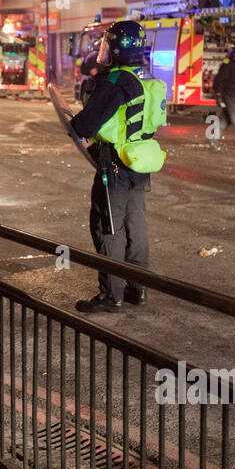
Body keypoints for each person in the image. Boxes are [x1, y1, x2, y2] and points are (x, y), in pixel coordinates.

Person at [69, 21, 165, 313]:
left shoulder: (116, 81)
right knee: (136, 224)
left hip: (114, 165)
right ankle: (138, 288)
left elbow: (86, 123)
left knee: (108, 226)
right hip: (139, 160)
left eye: (107, 44)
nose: (104, 49)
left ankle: (112, 295)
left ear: (117, 47)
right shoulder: (147, 76)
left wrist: (74, 124)